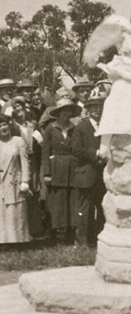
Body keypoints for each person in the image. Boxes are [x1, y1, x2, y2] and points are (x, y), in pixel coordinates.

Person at [40, 99, 81, 243]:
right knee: (56, 201)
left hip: (72, 167)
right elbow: (45, 153)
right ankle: (55, 233)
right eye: (63, 111)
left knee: (71, 199)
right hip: (56, 167)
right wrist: (47, 173)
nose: (66, 114)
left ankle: (71, 232)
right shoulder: (50, 129)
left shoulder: (75, 128)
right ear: (58, 114)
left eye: (69, 111)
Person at [71, 96, 108, 246]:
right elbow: (76, 149)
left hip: (103, 174)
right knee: (85, 210)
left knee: (103, 208)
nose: (97, 110)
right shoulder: (81, 127)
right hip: (86, 173)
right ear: (88, 110)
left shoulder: (107, 126)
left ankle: (99, 239)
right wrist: (96, 153)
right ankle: (83, 242)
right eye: (93, 108)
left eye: (99, 107)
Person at [0, 116, 31, 245]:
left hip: (14, 182)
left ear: (9, 125)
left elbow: (25, 163)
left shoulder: (18, 141)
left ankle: (17, 242)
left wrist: (25, 181)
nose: (3, 128)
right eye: (0, 126)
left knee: (14, 213)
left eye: (4, 124)